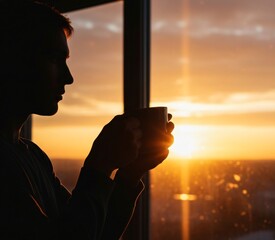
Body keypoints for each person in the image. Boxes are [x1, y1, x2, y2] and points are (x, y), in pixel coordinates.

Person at [0, 1, 174, 239]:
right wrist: (100, 164)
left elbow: (91, 231)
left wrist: (129, 175)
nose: (68, 77)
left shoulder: (33, 155)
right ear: (12, 57)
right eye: (53, 58)